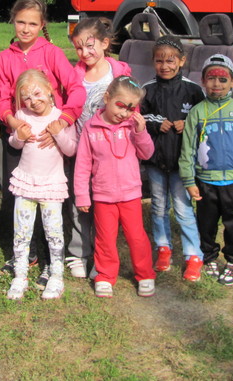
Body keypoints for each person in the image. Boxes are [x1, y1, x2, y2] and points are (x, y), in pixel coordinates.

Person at [0, 0, 85, 288]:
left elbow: (75, 89)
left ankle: (49, 261)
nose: (25, 29)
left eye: (32, 24)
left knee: (50, 201)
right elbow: (2, 97)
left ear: (42, 24)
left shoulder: (52, 53)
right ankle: (27, 254)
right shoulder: (5, 57)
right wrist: (13, 123)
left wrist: (63, 121)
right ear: (13, 21)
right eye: (20, 22)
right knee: (20, 197)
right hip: (20, 134)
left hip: (51, 138)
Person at [179, 54, 233, 286]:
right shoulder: (197, 112)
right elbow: (187, 149)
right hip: (206, 181)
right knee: (206, 224)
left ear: (232, 82)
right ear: (203, 81)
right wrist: (189, 180)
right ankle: (209, 257)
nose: (217, 84)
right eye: (211, 78)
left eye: (223, 79)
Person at [74, 75, 156, 298]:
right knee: (105, 239)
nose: (124, 113)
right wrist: (82, 195)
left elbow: (147, 153)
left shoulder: (132, 126)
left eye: (131, 108)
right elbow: (83, 165)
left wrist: (141, 132)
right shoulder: (91, 128)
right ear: (107, 98)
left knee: (136, 236)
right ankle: (105, 275)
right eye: (120, 105)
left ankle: (145, 274)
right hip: (103, 195)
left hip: (130, 194)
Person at [66, 17, 132, 279]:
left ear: (105, 43)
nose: (84, 53)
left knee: (104, 208)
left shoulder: (119, 73)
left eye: (90, 46)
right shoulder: (75, 74)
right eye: (79, 48)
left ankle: (101, 256)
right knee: (79, 202)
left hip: (111, 153)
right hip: (82, 150)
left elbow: (131, 105)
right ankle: (78, 252)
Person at [6, 69, 78, 300]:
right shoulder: (22, 115)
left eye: (37, 94)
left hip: (51, 185)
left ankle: (56, 275)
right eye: (27, 97)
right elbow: (14, 143)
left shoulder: (61, 118)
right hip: (25, 183)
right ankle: (20, 275)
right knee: (21, 232)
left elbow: (71, 149)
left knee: (53, 232)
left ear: (49, 89)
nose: (33, 101)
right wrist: (18, 137)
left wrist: (59, 134)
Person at [141, 36, 205, 280]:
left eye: (170, 61)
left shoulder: (193, 90)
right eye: (159, 61)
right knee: (158, 207)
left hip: (182, 164)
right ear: (153, 62)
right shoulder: (147, 89)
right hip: (156, 161)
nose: (165, 66)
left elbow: (204, 119)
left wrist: (188, 123)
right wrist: (157, 123)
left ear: (182, 61)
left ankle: (193, 255)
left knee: (183, 209)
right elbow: (138, 118)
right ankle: (163, 248)